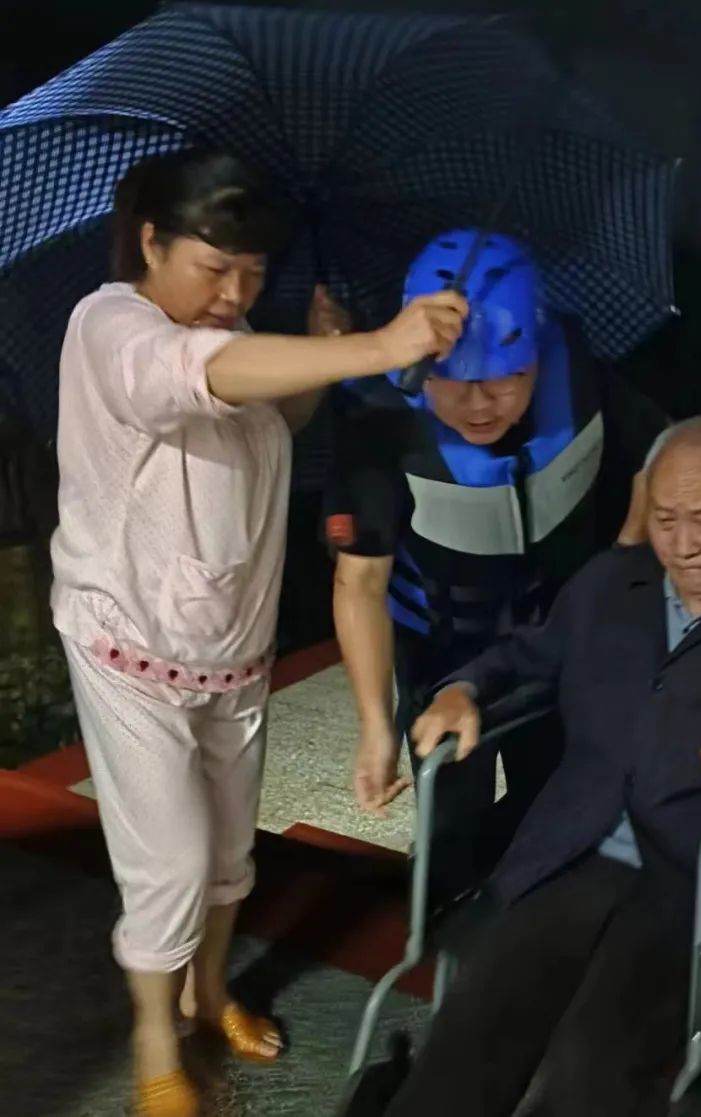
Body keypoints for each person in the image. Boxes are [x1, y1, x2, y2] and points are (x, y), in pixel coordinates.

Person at [50, 148, 466, 1117]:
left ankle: (208, 992)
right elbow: (201, 374)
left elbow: (270, 406)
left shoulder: (230, 332)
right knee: (171, 861)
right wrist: (379, 345)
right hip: (129, 644)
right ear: (151, 242)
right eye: (213, 266)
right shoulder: (112, 326)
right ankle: (155, 1041)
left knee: (232, 850)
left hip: (233, 646)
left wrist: (318, 348)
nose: (233, 293)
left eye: (251, 272)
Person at [379, 416, 701, 1117]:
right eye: (665, 518)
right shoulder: (613, 583)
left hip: (700, 882)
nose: (684, 546)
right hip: (572, 849)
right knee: (472, 1034)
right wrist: (462, 690)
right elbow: (526, 655)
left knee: (591, 1069)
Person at [325, 229, 667, 897]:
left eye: (508, 378)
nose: (482, 405)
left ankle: (538, 918)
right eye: (457, 384)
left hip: (556, 637)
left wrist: (626, 560)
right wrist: (374, 723)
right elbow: (359, 582)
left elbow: (662, 454)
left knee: (561, 798)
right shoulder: (377, 423)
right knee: (453, 820)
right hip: (442, 652)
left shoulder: (578, 371)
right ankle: (450, 923)